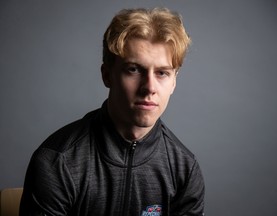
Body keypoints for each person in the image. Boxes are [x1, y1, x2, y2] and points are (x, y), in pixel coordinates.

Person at [20, 7, 205, 216]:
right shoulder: (57, 162)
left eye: (162, 73)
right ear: (107, 75)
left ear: (173, 83)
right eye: (134, 69)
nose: (149, 87)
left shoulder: (185, 169)